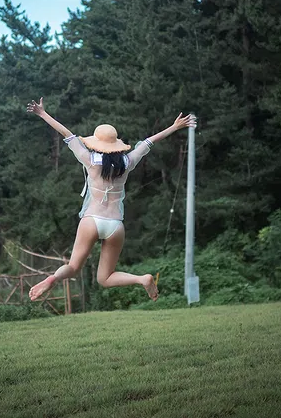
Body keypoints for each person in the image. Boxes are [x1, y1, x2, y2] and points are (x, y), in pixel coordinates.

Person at [25, 97, 196, 302]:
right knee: (105, 278)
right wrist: (175, 127)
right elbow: (149, 141)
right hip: (115, 225)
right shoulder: (127, 162)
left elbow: (66, 133)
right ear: (116, 145)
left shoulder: (89, 160)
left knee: (73, 267)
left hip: (91, 220)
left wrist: (42, 113)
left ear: (96, 143)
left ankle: (53, 279)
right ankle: (142, 279)